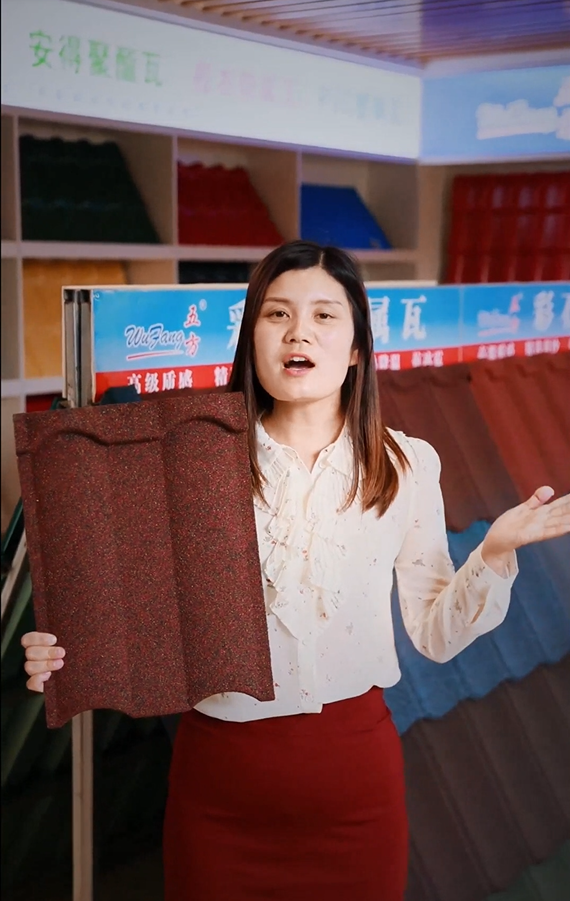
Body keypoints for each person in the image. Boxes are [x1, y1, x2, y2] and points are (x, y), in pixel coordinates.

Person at [21, 241, 570, 901]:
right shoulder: (187, 459)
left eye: (323, 315)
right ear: (251, 338)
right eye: (277, 314)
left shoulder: (408, 465)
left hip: (356, 794)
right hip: (219, 794)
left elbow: (434, 633)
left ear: (358, 347)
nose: (298, 332)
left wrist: (494, 554)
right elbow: (136, 615)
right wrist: (64, 648)